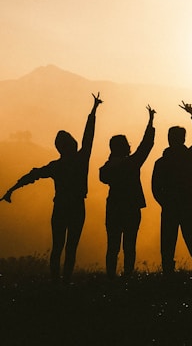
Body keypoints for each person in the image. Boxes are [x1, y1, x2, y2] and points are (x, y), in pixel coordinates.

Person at [0, 93, 103, 282]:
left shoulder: (56, 166)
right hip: (77, 207)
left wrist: (11, 190)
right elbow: (89, 135)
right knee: (71, 247)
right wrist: (94, 110)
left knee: (57, 246)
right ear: (72, 144)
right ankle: (65, 281)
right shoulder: (81, 159)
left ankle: (56, 281)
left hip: (61, 207)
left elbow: (32, 175)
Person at [99, 105, 156, 279]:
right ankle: (128, 276)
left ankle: (110, 277)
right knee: (129, 245)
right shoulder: (132, 163)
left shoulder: (107, 168)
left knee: (112, 246)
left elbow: (103, 177)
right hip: (131, 208)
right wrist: (151, 122)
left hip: (114, 208)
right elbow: (146, 145)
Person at [151, 101, 192, 275]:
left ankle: (168, 273)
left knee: (168, 242)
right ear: (182, 139)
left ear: (169, 139)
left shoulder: (161, 162)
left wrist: (164, 202)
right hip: (186, 204)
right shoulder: (189, 156)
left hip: (169, 206)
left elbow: (155, 187)